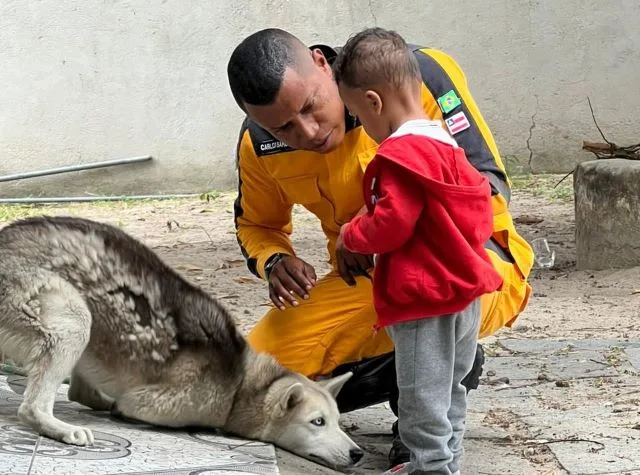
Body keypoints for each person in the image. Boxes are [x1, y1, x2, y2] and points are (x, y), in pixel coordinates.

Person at [226, 27, 534, 468]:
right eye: (284, 126)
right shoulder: (258, 143)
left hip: (467, 259)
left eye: (310, 107)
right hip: (369, 278)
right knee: (253, 381)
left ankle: (427, 434)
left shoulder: (411, 74)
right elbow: (258, 224)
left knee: (430, 319)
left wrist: (369, 231)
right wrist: (275, 261)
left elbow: (487, 185)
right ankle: (409, 373)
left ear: (320, 64)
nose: (308, 132)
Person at [332, 27, 504, 475]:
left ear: (373, 102)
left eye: (357, 115)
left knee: (420, 398)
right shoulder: (449, 148)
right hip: (464, 296)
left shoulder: (401, 157)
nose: (362, 127)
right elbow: (481, 215)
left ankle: (430, 468)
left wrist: (350, 234)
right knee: (451, 390)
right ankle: (447, 463)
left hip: (422, 303)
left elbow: (391, 225)